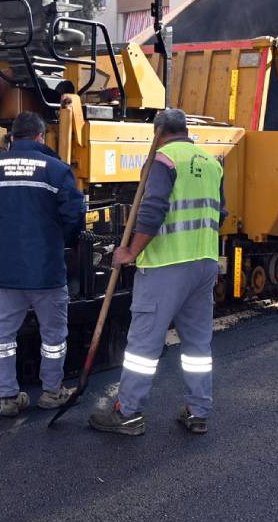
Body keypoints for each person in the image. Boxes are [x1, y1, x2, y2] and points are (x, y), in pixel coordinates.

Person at [89, 109, 225, 436]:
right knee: (197, 344)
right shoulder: (211, 163)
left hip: (166, 266)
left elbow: (152, 210)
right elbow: (221, 213)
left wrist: (131, 251)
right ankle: (198, 410)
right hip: (204, 262)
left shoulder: (163, 160)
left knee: (143, 345)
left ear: (158, 132)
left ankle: (129, 413)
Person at [0, 111, 85, 417]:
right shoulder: (57, 170)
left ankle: (8, 397)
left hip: (6, 271)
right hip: (46, 270)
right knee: (53, 336)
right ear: (40, 137)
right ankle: (52, 392)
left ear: (12, 137)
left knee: (3, 336)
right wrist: (63, 241)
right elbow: (74, 216)